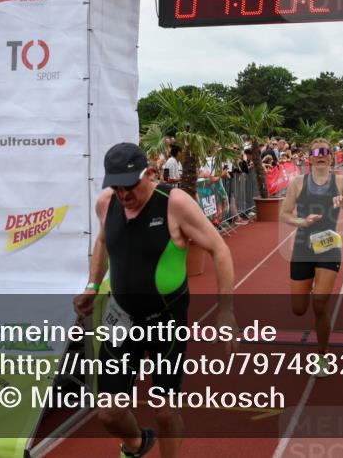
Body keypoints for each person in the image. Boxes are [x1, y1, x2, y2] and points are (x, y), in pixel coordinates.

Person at [73, 143, 237, 458]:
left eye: (130, 185)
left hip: (166, 320)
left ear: (148, 173)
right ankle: (137, 443)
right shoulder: (106, 203)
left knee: (165, 412)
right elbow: (104, 241)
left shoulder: (174, 204)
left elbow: (220, 250)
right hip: (121, 319)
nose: (124, 194)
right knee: (109, 413)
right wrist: (93, 284)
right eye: (117, 186)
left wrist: (226, 310)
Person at [279, 138, 343, 377]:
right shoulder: (297, 183)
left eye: (325, 151)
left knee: (320, 302)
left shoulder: (341, 182)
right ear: (309, 157)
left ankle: (323, 354)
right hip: (302, 247)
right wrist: (301, 221)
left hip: (328, 245)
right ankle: (310, 290)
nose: (320, 155)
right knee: (298, 308)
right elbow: (284, 215)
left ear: (331, 156)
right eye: (316, 151)